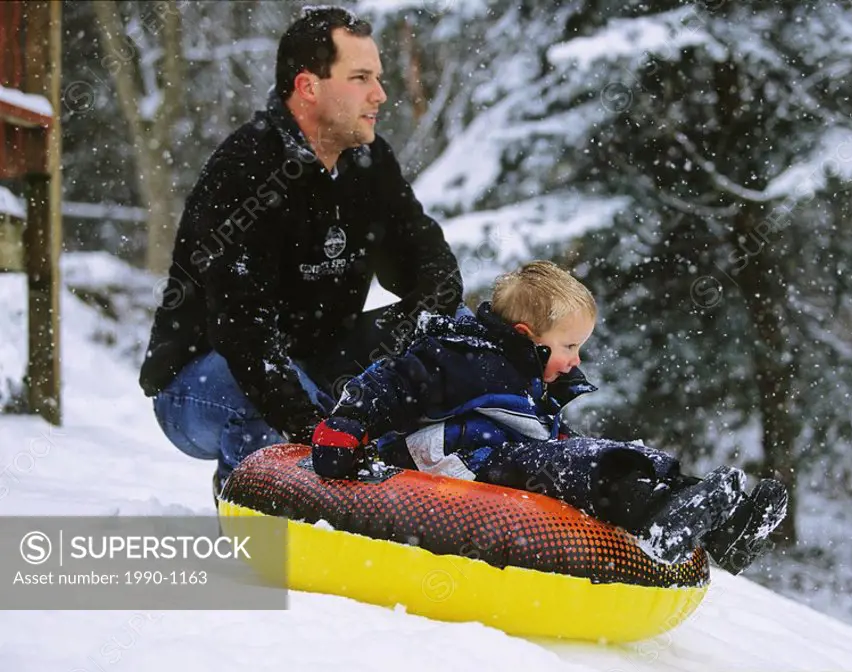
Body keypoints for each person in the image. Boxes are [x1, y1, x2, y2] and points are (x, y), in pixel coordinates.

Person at [138, 7, 463, 498]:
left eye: (378, 77)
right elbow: (240, 329)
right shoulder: (246, 168)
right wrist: (319, 426)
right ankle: (259, 533)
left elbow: (430, 271)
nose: (380, 94)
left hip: (316, 363)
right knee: (268, 401)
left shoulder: (369, 162)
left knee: (449, 333)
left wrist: (406, 368)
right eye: (360, 78)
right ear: (308, 87)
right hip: (202, 379)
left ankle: (436, 504)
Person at [312, 261, 788, 573]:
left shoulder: (530, 378)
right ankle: (662, 520)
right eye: (569, 346)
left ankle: (722, 525)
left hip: (504, 457)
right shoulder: (460, 355)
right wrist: (346, 426)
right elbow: (388, 381)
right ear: (527, 336)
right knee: (576, 464)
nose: (576, 361)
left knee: (604, 455)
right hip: (453, 460)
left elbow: (554, 439)